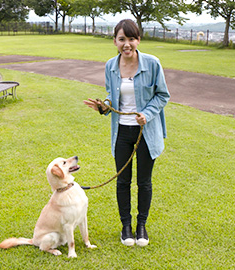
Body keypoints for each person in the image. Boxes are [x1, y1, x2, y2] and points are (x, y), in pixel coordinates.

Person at [83, 19, 170, 247]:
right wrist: (104, 106)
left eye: (131, 38)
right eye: (122, 39)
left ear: (138, 40)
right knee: (122, 181)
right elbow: (112, 94)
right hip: (121, 131)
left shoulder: (152, 63)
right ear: (115, 41)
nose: (127, 44)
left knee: (144, 182)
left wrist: (147, 114)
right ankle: (126, 227)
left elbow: (162, 95)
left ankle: (141, 226)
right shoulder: (111, 65)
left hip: (146, 132)